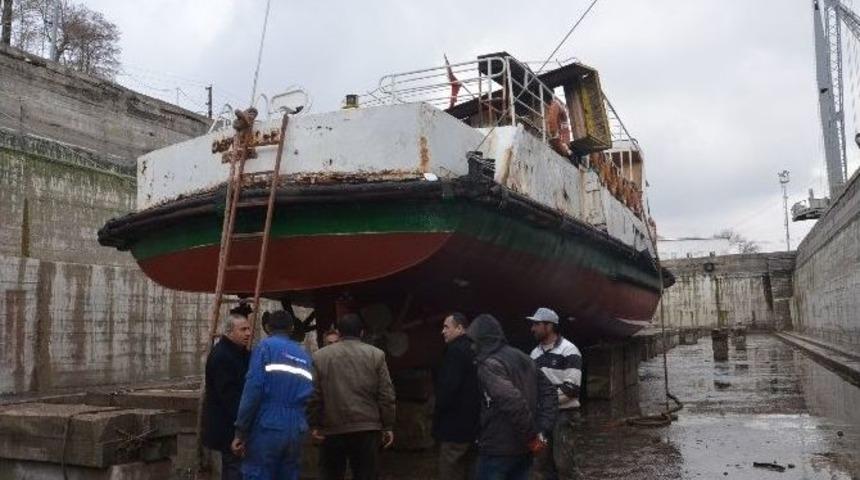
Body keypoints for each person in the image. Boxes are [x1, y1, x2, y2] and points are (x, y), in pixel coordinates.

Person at [467, 314, 557, 480]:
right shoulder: (524, 357)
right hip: (523, 451)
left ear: (483, 339)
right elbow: (550, 392)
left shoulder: (489, 364)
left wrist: (533, 438)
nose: (472, 347)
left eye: (474, 341)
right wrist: (542, 429)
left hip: (498, 450)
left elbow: (513, 402)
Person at [308, 313, 396, 480]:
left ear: (339, 333)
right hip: (367, 428)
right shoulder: (376, 355)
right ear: (362, 332)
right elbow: (386, 393)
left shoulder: (321, 356)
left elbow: (314, 394)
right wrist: (388, 425)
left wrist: (314, 424)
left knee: (332, 474)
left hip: (332, 428)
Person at [231, 310, 314, 480]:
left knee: (258, 473)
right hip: (296, 427)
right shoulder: (305, 357)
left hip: (269, 424)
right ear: (291, 329)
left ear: (267, 328)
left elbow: (253, 390)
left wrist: (240, 431)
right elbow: (311, 395)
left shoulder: (265, 348)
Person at [527, 307, 582, 480]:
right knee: (539, 465)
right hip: (543, 416)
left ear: (549, 326)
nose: (532, 328)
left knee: (564, 465)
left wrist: (545, 404)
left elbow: (572, 389)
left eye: (536, 324)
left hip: (564, 415)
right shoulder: (534, 355)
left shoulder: (569, 351)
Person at [202, 313, 251, 480]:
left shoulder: (239, 353)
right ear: (229, 332)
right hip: (228, 428)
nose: (248, 333)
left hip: (233, 425)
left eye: (249, 328)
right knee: (234, 469)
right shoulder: (222, 356)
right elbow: (230, 397)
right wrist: (242, 428)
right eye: (243, 329)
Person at [433, 312, 480, 480]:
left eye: (446, 327)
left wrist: (437, 414)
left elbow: (448, 389)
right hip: (474, 426)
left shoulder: (454, 351)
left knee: (451, 471)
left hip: (454, 427)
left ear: (460, 328)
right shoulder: (476, 350)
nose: (442, 331)